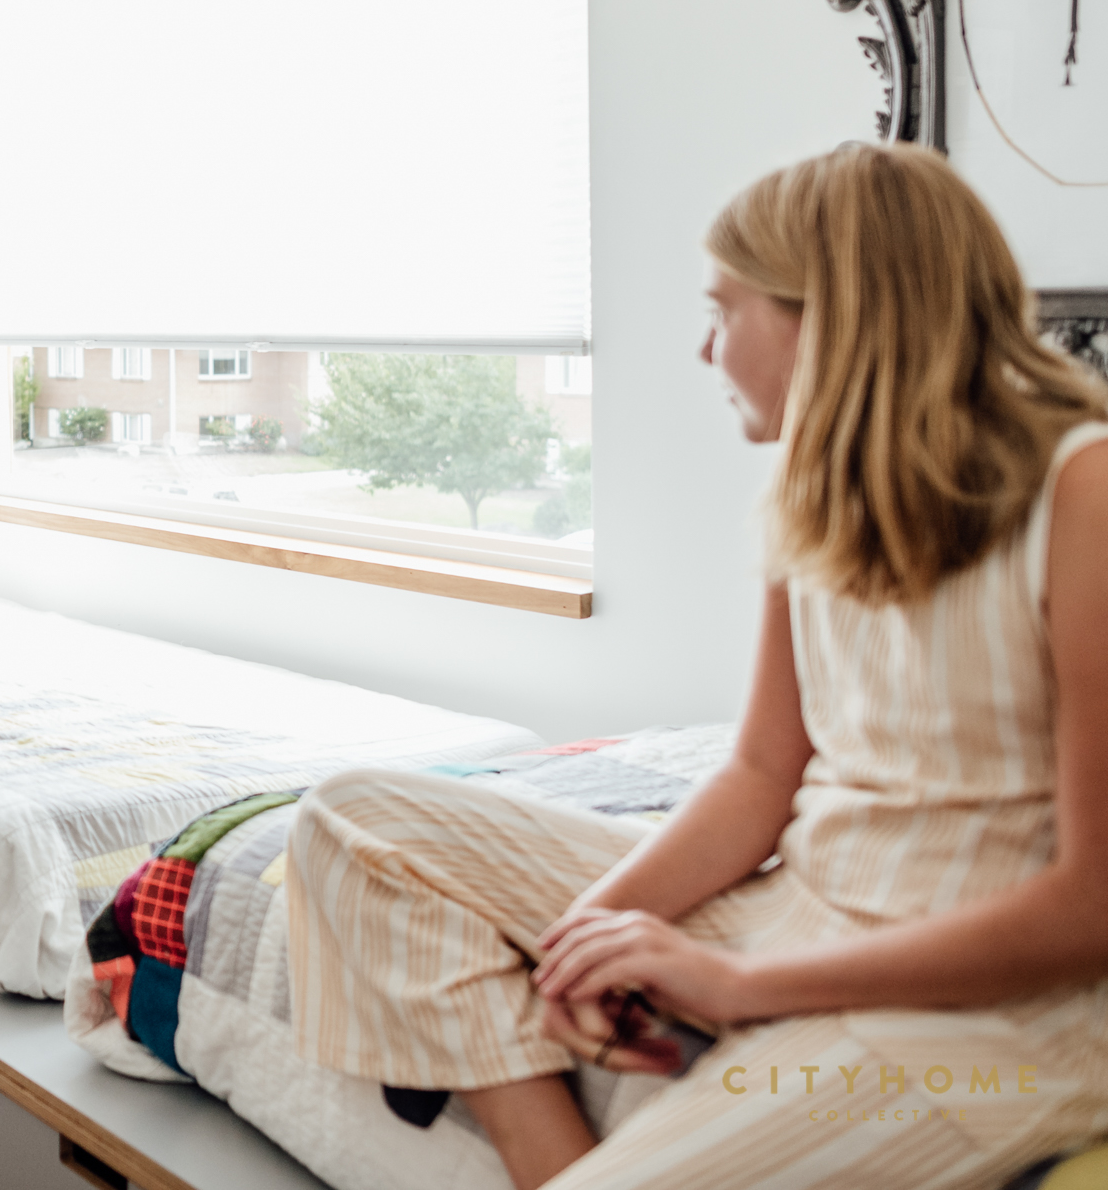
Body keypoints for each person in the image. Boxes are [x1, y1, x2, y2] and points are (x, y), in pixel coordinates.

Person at [282, 144, 1108, 1190]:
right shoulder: (815, 485)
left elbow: (1092, 905)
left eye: (724, 310)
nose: (704, 348)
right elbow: (760, 774)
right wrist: (583, 941)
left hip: (986, 1015)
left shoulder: (1083, 494)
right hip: (802, 903)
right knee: (354, 820)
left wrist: (739, 984)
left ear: (829, 318)